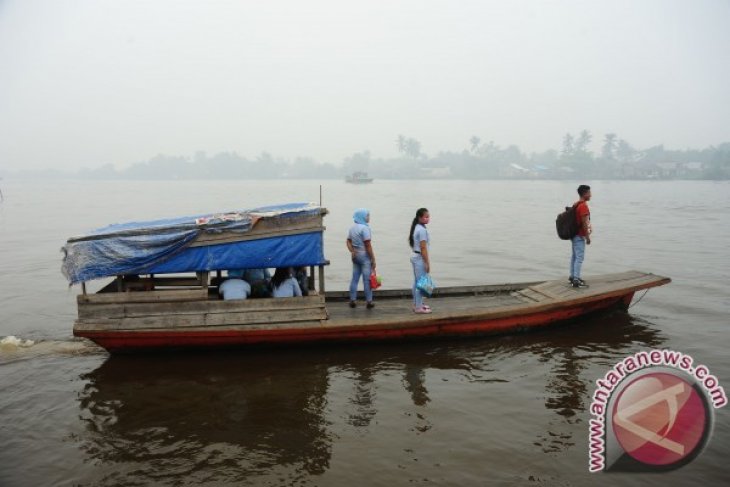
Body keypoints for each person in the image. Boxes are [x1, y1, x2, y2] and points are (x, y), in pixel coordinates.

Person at [346, 208, 376, 309]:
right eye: (367, 216)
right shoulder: (365, 228)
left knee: (355, 278)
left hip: (355, 255)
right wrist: (373, 259)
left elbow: (348, 241)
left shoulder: (352, 228)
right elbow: (368, 245)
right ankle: (369, 301)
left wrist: (352, 251)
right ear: (362, 217)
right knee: (367, 280)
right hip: (364, 255)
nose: (369, 217)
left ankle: (352, 300)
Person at [409, 208, 432, 314]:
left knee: (417, 282)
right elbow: (423, 248)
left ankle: (417, 304)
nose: (428, 218)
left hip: (415, 256)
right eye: (426, 217)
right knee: (421, 283)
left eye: (428, 216)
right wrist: (427, 263)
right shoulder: (422, 230)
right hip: (419, 258)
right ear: (419, 218)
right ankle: (418, 307)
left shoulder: (418, 227)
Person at [570, 185, 592, 288]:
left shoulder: (576, 204)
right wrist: (587, 237)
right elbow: (583, 223)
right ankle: (576, 280)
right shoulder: (583, 206)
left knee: (574, 256)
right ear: (585, 193)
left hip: (574, 234)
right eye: (589, 193)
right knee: (579, 257)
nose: (591, 195)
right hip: (579, 235)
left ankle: (573, 276)